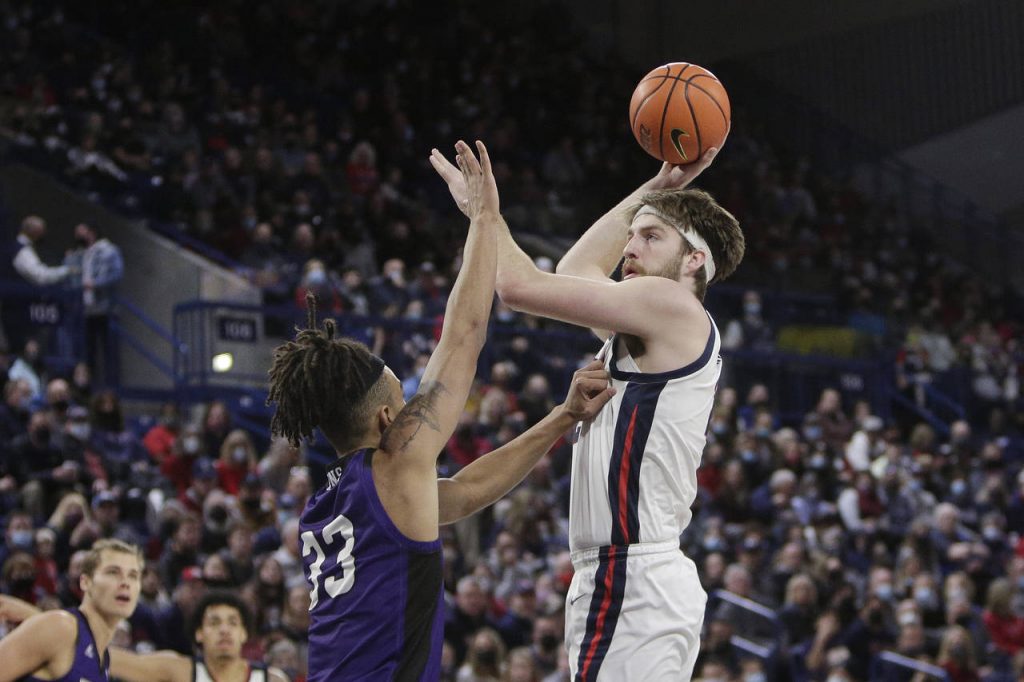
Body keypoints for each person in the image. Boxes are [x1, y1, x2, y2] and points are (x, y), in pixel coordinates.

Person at [266, 140, 614, 681]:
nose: (414, 407)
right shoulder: (393, 467)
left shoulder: (329, 504)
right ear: (388, 421)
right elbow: (463, 335)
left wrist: (562, 416)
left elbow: (468, 491)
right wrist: (484, 219)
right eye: (404, 401)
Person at [431, 143, 745, 680]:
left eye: (651, 237)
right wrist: (658, 188)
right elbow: (575, 267)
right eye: (631, 235)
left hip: (633, 576)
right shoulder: (648, 326)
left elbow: (518, 287)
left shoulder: (673, 307)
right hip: (628, 577)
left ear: (695, 259)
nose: (630, 247)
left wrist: (484, 215)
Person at [0, 590, 288, 682]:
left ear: (244, 634)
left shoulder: (271, 679)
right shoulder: (179, 670)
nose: (224, 629)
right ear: (199, 633)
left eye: (232, 623)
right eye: (214, 622)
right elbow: (99, 653)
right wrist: (38, 618)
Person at [0, 538, 142, 682]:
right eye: (113, 572)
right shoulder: (62, 627)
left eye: (133, 576)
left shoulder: (102, 657)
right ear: (86, 582)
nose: (125, 583)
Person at [1, 215, 72, 354]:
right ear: (35, 232)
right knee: (22, 349)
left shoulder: (20, 248)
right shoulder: (21, 251)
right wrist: (67, 270)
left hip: (15, 306)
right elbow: (40, 275)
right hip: (17, 308)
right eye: (41, 232)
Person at [64, 222, 124, 384]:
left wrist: (96, 284)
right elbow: (73, 270)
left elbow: (117, 274)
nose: (79, 237)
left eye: (82, 233)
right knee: (89, 351)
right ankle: (90, 385)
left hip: (105, 307)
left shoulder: (109, 251)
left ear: (91, 233)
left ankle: (111, 386)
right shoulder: (86, 253)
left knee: (109, 350)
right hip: (88, 308)